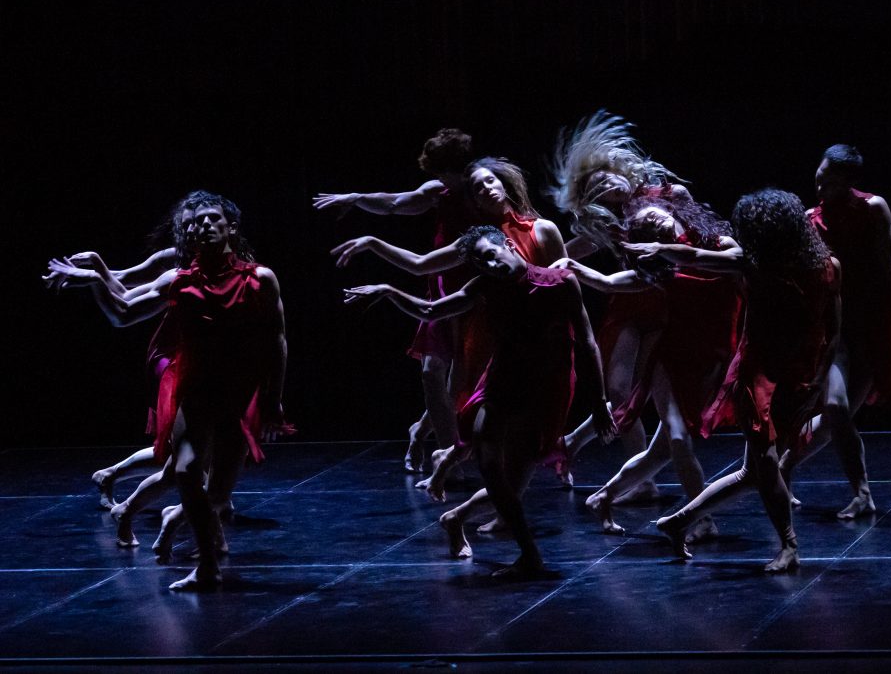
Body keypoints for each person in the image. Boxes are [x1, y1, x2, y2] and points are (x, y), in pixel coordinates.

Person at [47, 192, 288, 590]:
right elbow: (123, 313)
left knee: (219, 493)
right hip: (194, 389)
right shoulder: (176, 280)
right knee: (186, 470)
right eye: (195, 222)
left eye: (212, 218)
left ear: (231, 226)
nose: (203, 225)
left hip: (238, 393)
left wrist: (273, 398)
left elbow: (277, 339)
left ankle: (175, 520)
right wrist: (94, 281)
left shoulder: (260, 279)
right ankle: (207, 566)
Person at [344, 224, 613, 577]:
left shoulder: (560, 282)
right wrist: (389, 291)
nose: (489, 266)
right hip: (503, 378)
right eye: (480, 264)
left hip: (547, 386)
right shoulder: (486, 286)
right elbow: (431, 311)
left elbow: (587, 343)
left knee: (514, 481)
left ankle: (458, 518)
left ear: (509, 245)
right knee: (488, 458)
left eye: (490, 255)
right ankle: (529, 556)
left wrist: (599, 401)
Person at [333, 157, 567, 497]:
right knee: (486, 418)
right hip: (492, 333)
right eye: (477, 188)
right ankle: (485, 496)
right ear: (472, 201)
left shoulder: (542, 229)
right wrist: (372, 243)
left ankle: (466, 479)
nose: (487, 189)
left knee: (524, 425)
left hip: (539, 339)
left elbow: (564, 285)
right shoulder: (477, 241)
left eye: (490, 181)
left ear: (504, 184)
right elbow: (420, 265)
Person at [649, 188, 841, 573]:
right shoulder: (753, 265)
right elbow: (698, 257)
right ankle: (789, 545)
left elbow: (834, 328)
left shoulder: (828, 267)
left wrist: (819, 380)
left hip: (800, 373)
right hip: (759, 373)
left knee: (754, 472)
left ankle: (677, 522)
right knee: (766, 463)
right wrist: (660, 250)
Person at [554, 197, 741, 536]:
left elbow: (735, 260)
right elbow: (611, 283)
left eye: (655, 217)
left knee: (661, 451)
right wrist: (573, 267)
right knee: (679, 438)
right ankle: (700, 519)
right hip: (672, 356)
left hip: (712, 355)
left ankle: (603, 497)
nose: (654, 224)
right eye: (646, 229)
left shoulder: (717, 244)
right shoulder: (661, 270)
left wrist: (667, 251)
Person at [548, 110, 701, 497]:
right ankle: (642, 481)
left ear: (619, 169)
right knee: (617, 392)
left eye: (604, 178)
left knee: (645, 394)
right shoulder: (609, 224)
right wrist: (536, 263)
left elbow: (700, 236)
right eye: (596, 190)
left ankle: (578, 445)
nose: (605, 186)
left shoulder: (671, 195)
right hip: (629, 303)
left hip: (669, 304)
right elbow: (570, 251)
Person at [780, 145, 891, 519]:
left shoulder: (873, 209)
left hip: (871, 324)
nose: (821, 188)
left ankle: (782, 467)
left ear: (848, 182)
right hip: (833, 326)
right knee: (835, 407)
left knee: (838, 417)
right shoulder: (810, 220)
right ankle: (862, 492)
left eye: (830, 183)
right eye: (819, 179)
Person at [314, 129, 477, 472]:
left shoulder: (482, 189)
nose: (442, 179)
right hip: (442, 284)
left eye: (446, 172)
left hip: (475, 289)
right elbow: (394, 203)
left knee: (458, 387)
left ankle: (420, 430)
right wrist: (356, 198)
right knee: (432, 373)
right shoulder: (439, 191)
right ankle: (448, 457)